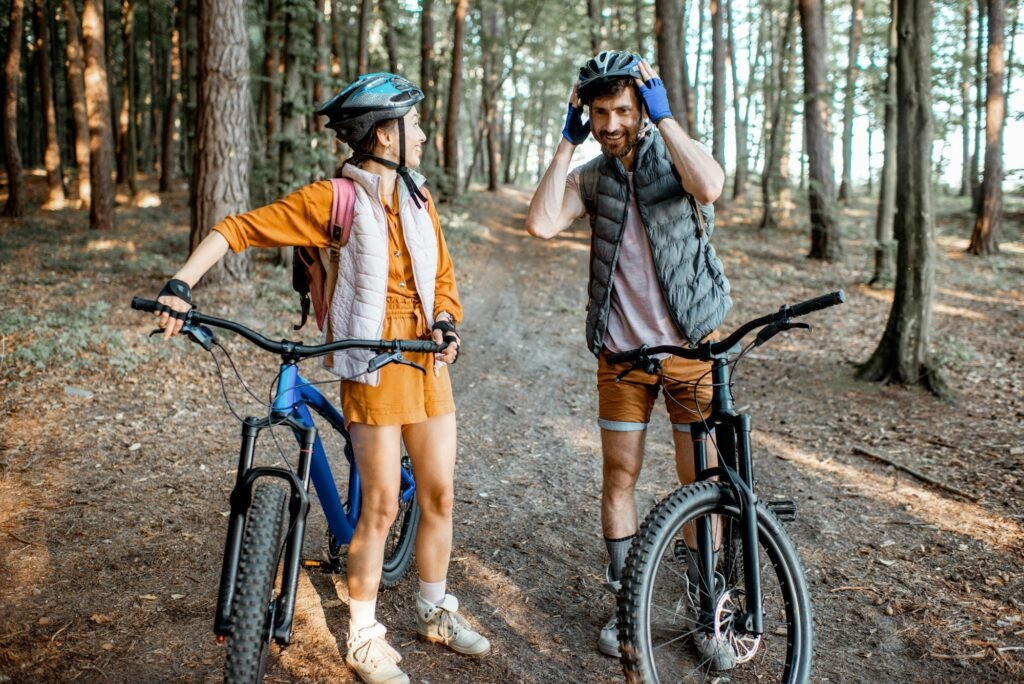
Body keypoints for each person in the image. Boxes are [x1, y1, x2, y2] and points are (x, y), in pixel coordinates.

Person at [153, 72, 489, 684]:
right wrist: (181, 285)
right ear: (384, 135)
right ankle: (363, 634)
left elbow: (441, 275)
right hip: (370, 361)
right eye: (412, 125)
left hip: (424, 358)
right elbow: (238, 229)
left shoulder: (420, 197)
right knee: (381, 506)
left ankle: (434, 607)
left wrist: (446, 320)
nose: (421, 134)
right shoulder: (333, 198)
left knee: (439, 493)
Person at [525, 51, 735, 669]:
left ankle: (708, 609)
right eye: (598, 112)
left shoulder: (676, 152)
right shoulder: (592, 176)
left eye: (622, 110)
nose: (610, 123)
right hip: (622, 358)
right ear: (585, 113)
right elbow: (540, 224)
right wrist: (566, 143)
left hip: (691, 350)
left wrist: (666, 120)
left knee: (700, 483)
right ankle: (625, 605)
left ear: (642, 107)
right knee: (620, 478)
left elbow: (711, 186)